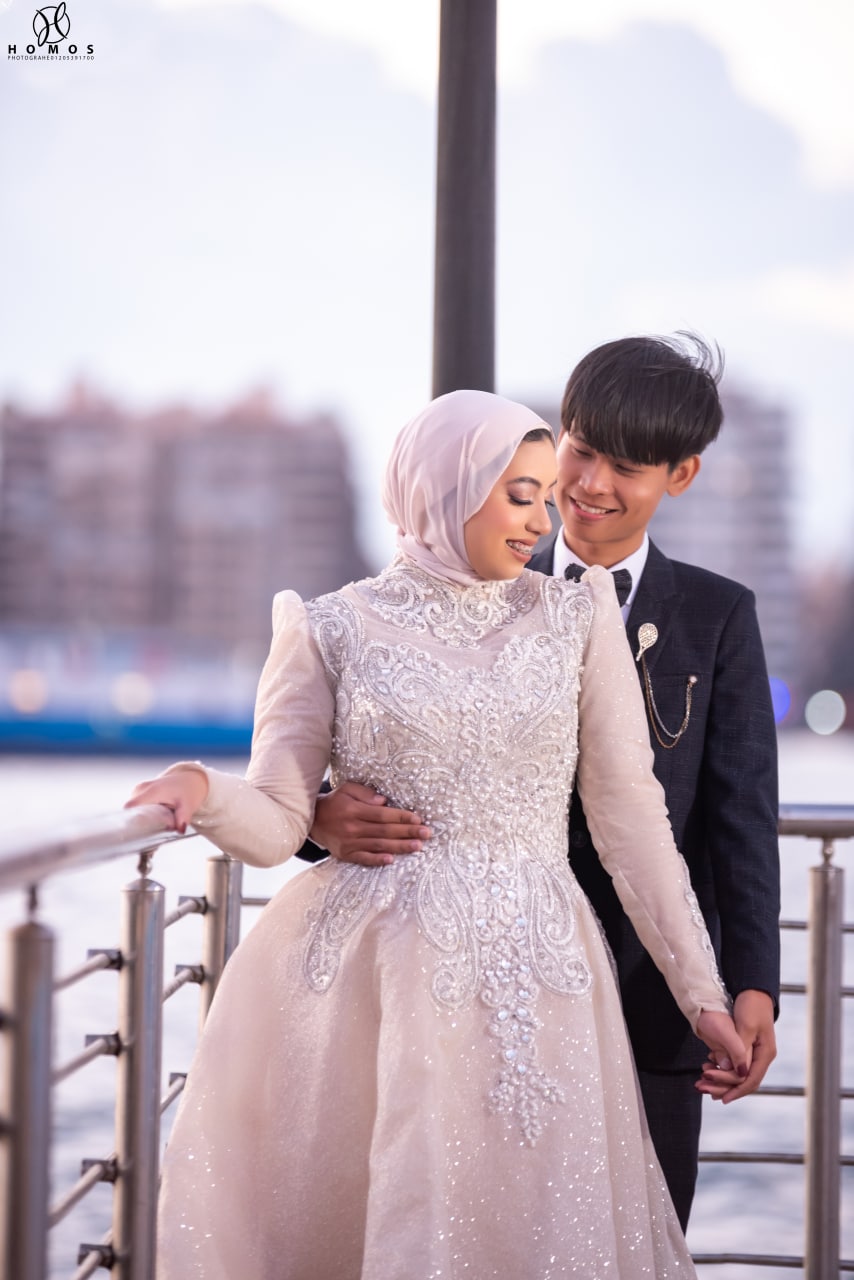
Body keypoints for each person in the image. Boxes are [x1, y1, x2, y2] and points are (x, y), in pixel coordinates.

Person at [128, 388, 748, 1279]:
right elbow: (275, 823)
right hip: (372, 987)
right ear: (443, 488)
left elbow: (633, 823)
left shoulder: (577, 618)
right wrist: (202, 788)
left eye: (544, 497)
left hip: (541, 981)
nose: (542, 521)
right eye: (520, 495)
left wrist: (704, 995)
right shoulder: (328, 625)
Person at [301, 337, 781, 1231]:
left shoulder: (718, 615)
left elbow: (741, 818)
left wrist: (749, 982)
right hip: (472, 992)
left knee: (639, 1236)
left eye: (626, 468)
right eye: (581, 451)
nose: (590, 485)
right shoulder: (473, 581)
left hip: (653, 998)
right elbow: (368, 755)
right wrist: (314, 820)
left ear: (680, 476)